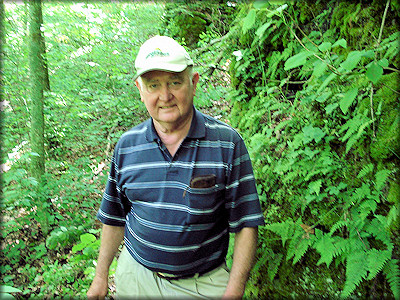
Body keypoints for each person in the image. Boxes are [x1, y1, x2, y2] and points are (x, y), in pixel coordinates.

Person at [87, 35, 264, 299]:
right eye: (153, 85)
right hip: (136, 278)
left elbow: (247, 223)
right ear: (140, 89)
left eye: (174, 82)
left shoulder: (227, 144)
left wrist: (235, 290)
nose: (165, 95)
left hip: (201, 285)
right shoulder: (127, 146)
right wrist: (100, 277)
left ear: (193, 83)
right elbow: (113, 217)